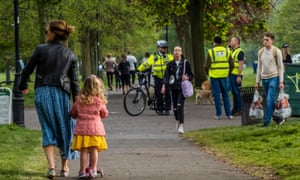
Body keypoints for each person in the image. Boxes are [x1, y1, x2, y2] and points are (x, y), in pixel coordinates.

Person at [18, 20, 79, 178]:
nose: (46, 34)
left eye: (47, 31)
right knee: (64, 128)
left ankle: (51, 168)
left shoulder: (40, 49)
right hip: (62, 93)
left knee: (47, 128)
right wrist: (77, 100)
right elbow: (75, 80)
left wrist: (22, 85)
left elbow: (27, 70)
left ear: (53, 33)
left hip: (42, 92)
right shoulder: (70, 54)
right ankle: (64, 168)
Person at [70, 75, 108, 178]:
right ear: (98, 88)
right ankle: (93, 170)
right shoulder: (99, 101)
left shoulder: (79, 100)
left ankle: (82, 171)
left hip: (82, 130)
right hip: (96, 130)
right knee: (94, 150)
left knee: (84, 150)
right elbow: (104, 114)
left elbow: (73, 113)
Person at [162, 46, 194, 134]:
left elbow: (191, 75)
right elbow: (166, 76)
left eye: (178, 50)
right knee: (175, 108)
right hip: (173, 87)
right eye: (175, 50)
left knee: (180, 106)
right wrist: (164, 86)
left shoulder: (186, 63)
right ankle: (177, 119)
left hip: (182, 88)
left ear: (181, 52)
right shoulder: (170, 64)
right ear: (173, 53)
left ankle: (181, 125)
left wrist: (187, 77)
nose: (176, 52)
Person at [255, 32, 284, 126]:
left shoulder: (277, 51)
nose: (265, 41)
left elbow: (280, 67)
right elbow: (259, 67)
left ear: (272, 40)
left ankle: (266, 122)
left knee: (268, 99)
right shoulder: (260, 52)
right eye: (264, 39)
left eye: (267, 40)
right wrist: (257, 81)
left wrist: (281, 81)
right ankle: (278, 117)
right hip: (264, 78)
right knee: (269, 100)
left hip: (274, 77)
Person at [138, 40, 174, 115]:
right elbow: (146, 64)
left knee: (167, 93)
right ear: (159, 48)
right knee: (158, 94)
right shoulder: (153, 57)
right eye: (163, 48)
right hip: (157, 77)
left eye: (165, 48)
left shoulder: (169, 57)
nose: (164, 49)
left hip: (166, 77)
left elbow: (174, 65)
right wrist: (139, 69)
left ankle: (167, 109)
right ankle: (160, 109)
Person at [204, 36, 234, 120]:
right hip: (224, 76)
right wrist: (228, 72)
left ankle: (218, 114)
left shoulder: (211, 52)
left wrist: (208, 73)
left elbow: (206, 65)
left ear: (214, 42)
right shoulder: (227, 51)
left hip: (214, 76)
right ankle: (229, 114)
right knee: (225, 95)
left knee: (216, 95)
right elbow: (232, 65)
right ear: (221, 43)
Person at [229, 36, 244, 116]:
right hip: (231, 74)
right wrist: (228, 48)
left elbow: (241, 64)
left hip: (236, 75)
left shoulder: (240, 52)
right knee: (234, 93)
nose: (230, 42)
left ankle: (239, 109)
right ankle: (235, 109)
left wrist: (239, 75)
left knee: (237, 92)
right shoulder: (232, 51)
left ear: (237, 42)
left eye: (232, 40)